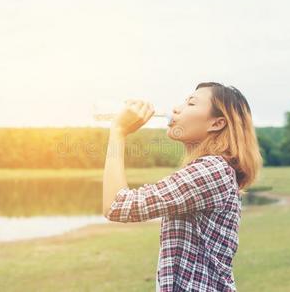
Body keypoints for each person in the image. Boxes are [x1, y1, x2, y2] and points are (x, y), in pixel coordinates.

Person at [102, 82, 263, 291]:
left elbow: (117, 205)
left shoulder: (213, 170)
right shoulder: (212, 169)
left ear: (217, 123)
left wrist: (118, 132)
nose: (176, 109)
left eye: (191, 103)